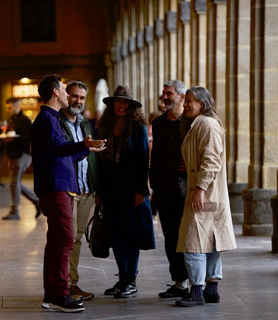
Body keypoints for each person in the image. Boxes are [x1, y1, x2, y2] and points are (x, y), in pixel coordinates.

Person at [31, 74, 106, 313]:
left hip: (61, 184)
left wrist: (88, 149)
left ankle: (51, 293)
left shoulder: (50, 118)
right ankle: (61, 295)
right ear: (55, 92)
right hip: (56, 186)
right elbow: (57, 148)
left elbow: (65, 153)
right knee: (65, 239)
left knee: (56, 240)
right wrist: (83, 145)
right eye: (64, 90)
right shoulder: (47, 118)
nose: (66, 94)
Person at [175, 86, 237, 307]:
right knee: (211, 242)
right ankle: (211, 290)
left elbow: (211, 161)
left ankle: (197, 291)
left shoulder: (206, 124)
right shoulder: (201, 124)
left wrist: (200, 188)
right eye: (185, 101)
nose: (185, 105)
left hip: (204, 194)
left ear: (202, 103)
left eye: (189, 101)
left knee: (193, 244)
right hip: (208, 194)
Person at [95, 85, 155, 299]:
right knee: (116, 234)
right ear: (112, 105)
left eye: (124, 102)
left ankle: (131, 279)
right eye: (117, 102)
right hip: (111, 188)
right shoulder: (104, 126)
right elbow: (100, 160)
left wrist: (141, 189)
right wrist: (99, 190)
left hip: (131, 189)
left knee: (131, 235)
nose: (121, 105)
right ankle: (122, 277)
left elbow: (142, 160)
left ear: (130, 106)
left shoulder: (138, 127)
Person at [149, 80, 192, 299]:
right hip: (165, 188)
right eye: (164, 93)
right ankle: (179, 282)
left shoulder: (193, 122)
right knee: (171, 236)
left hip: (189, 187)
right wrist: (154, 186)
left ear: (183, 97)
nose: (165, 97)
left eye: (170, 93)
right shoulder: (158, 123)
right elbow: (155, 156)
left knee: (192, 235)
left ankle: (196, 282)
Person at [59, 81, 96, 301]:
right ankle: (62, 285)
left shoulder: (86, 125)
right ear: (66, 96)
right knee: (67, 238)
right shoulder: (58, 122)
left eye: (82, 98)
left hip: (86, 189)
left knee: (78, 237)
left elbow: (91, 157)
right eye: (74, 96)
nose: (78, 101)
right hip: (68, 189)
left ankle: (73, 283)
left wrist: (95, 185)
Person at [0, 98, 40, 220]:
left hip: (23, 155)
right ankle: (37, 202)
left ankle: (15, 211)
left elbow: (29, 138)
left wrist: (14, 139)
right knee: (15, 183)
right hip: (12, 154)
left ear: (16, 106)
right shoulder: (10, 120)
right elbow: (5, 136)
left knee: (14, 183)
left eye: (9, 108)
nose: (7, 110)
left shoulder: (24, 121)